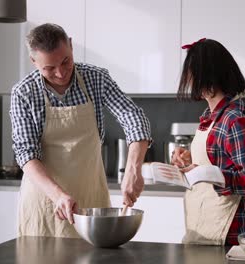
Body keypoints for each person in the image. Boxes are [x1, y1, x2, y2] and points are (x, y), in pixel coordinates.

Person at [10, 23, 151, 237]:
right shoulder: (24, 93)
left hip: (91, 199)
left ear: (71, 46)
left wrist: (133, 169)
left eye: (65, 61)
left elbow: (133, 116)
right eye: (49, 68)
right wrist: (58, 196)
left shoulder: (96, 78)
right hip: (44, 202)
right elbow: (26, 154)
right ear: (34, 62)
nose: (60, 72)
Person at [172, 38, 245, 246]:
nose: (188, 80)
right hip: (206, 225)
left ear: (207, 75)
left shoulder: (236, 119)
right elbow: (221, 159)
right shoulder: (213, 115)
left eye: (191, 73)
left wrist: (204, 173)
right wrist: (191, 161)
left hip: (231, 233)